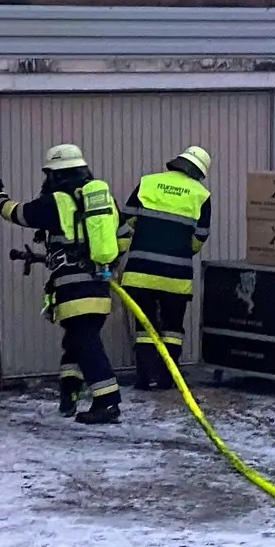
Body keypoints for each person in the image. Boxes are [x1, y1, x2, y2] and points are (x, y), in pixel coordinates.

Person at [0, 144, 122, 423]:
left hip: (72, 287)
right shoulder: (102, 200)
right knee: (76, 342)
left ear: (55, 174)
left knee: (87, 345)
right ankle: (69, 395)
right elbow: (124, 232)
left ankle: (107, 402)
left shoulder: (57, 200)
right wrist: (109, 263)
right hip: (98, 286)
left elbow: (19, 213)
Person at [116, 146, 213, 390]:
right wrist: (181, 249)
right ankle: (167, 378)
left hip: (140, 272)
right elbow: (200, 237)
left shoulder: (147, 183)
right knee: (172, 327)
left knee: (144, 327)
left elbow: (127, 220)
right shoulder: (201, 195)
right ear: (199, 172)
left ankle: (144, 377)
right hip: (176, 275)